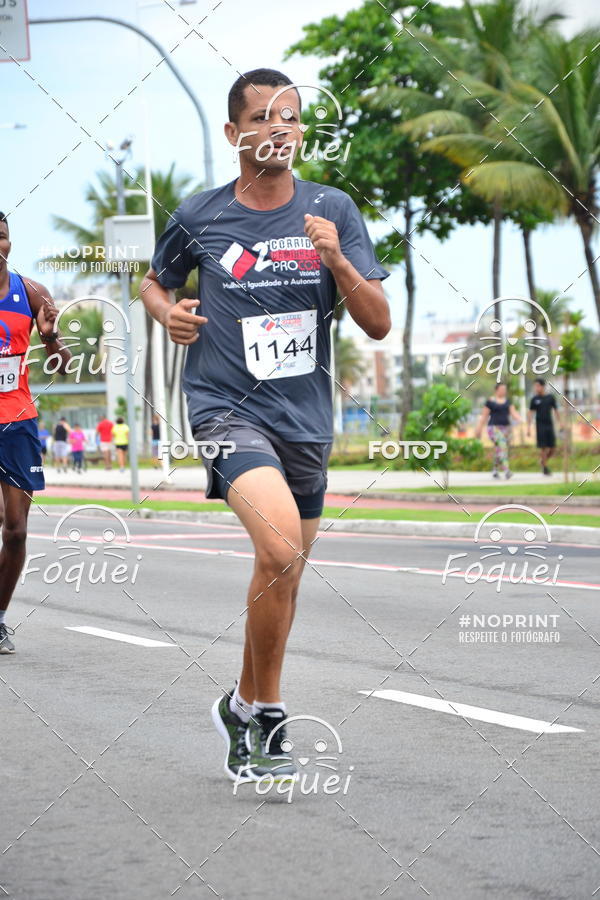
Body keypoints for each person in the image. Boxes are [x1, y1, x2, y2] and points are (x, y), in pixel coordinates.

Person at [141, 68, 391, 782]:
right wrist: (168, 313)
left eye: (290, 117)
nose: (278, 128)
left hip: (306, 420)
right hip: (225, 409)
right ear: (234, 134)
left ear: (301, 130)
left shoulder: (332, 208)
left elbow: (377, 323)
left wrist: (338, 259)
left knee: (282, 570)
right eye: (263, 117)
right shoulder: (200, 216)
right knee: (279, 544)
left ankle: (242, 705)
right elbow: (155, 279)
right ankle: (271, 715)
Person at [0, 211, 71, 654]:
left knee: (17, 529)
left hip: (18, 420)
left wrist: (51, 340)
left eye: (2, 236)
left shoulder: (31, 292)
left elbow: (61, 366)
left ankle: (0, 617)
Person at [475, 382, 522, 479]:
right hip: (494, 428)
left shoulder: (508, 402)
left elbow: (513, 413)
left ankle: (495, 470)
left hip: (506, 428)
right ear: (496, 390)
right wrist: (478, 429)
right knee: (502, 447)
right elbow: (484, 416)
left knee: (500, 449)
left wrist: (520, 419)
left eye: (505, 389)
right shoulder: (490, 401)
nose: (503, 391)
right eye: (501, 389)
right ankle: (506, 470)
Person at [527, 378, 561, 475]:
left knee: (552, 448)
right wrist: (528, 428)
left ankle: (542, 461)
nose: (536, 388)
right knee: (543, 447)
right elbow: (530, 413)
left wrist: (560, 422)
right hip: (539, 425)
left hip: (549, 424)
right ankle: (545, 468)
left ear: (543, 386)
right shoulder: (534, 399)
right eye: (535, 386)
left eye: (537, 386)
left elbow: (556, 410)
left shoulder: (550, 397)